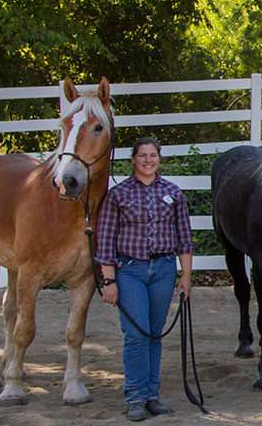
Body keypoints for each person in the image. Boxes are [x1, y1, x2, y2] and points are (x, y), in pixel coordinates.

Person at [94, 137, 194, 422]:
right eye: (142, 155)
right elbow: (106, 241)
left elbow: (185, 239)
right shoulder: (118, 195)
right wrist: (109, 280)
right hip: (130, 270)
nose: (148, 160)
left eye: (153, 155)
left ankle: (152, 394)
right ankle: (135, 396)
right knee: (135, 334)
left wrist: (186, 276)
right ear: (133, 160)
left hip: (163, 269)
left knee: (154, 332)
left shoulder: (173, 193)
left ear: (159, 159)